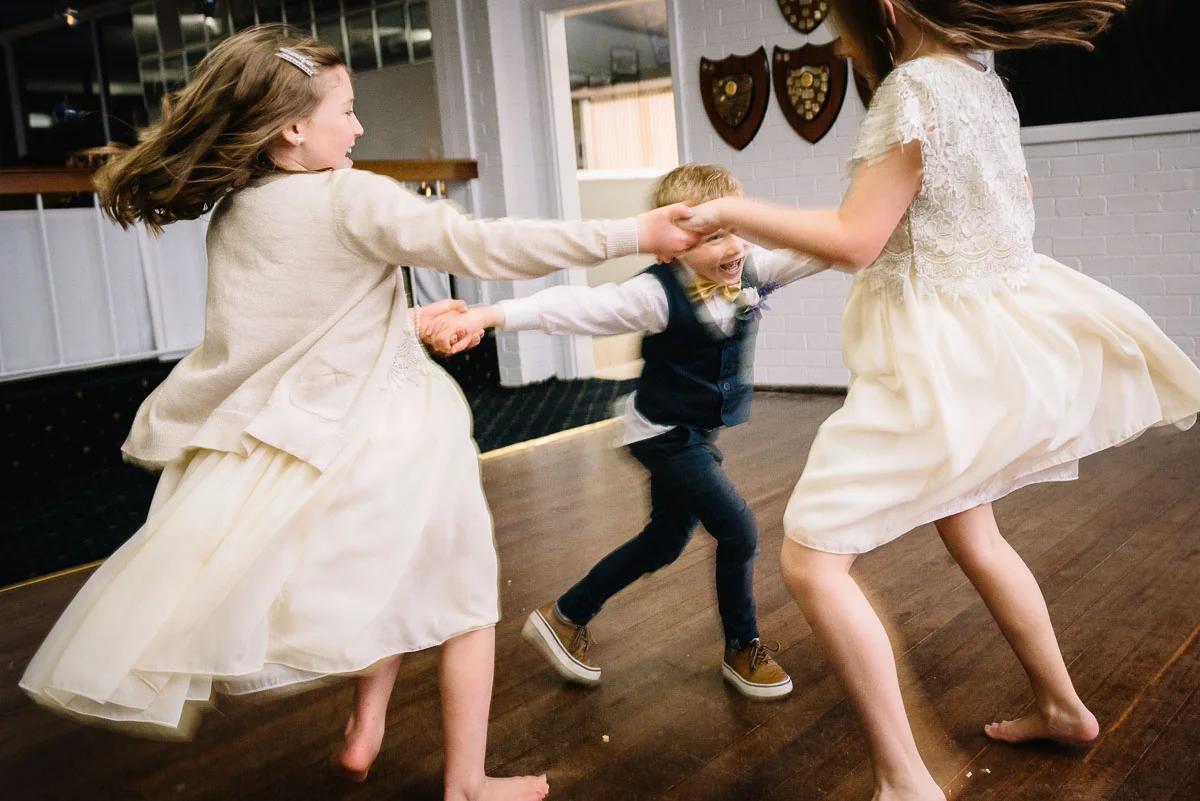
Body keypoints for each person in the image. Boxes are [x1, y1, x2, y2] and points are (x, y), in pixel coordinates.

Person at [18, 25, 698, 801]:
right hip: (399, 433)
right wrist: (634, 232)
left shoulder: (239, 212)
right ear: (292, 127)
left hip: (321, 438)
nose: (360, 126)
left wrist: (401, 323)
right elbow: (480, 244)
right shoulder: (349, 195)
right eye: (346, 109)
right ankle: (468, 782)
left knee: (393, 575)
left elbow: (292, 331)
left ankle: (365, 728)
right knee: (467, 599)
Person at [681, 1, 1200, 798]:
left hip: (933, 367)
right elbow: (991, 207)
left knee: (812, 559)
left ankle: (904, 781)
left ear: (887, 9)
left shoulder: (914, 88)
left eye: (845, 23)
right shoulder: (982, 82)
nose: (843, 42)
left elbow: (856, 240)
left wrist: (728, 212)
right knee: (974, 532)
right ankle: (1063, 706)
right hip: (986, 350)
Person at [429, 164, 827, 700]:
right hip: (661, 435)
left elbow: (824, 247)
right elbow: (576, 308)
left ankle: (565, 616)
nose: (734, 247)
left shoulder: (752, 270)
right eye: (714, 238)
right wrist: (490, 314)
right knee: (740, 532)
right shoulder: (655, 294)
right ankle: (741, 647)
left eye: (739, 230)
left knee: (664, 541)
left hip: (695, 433)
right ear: (674, 249)